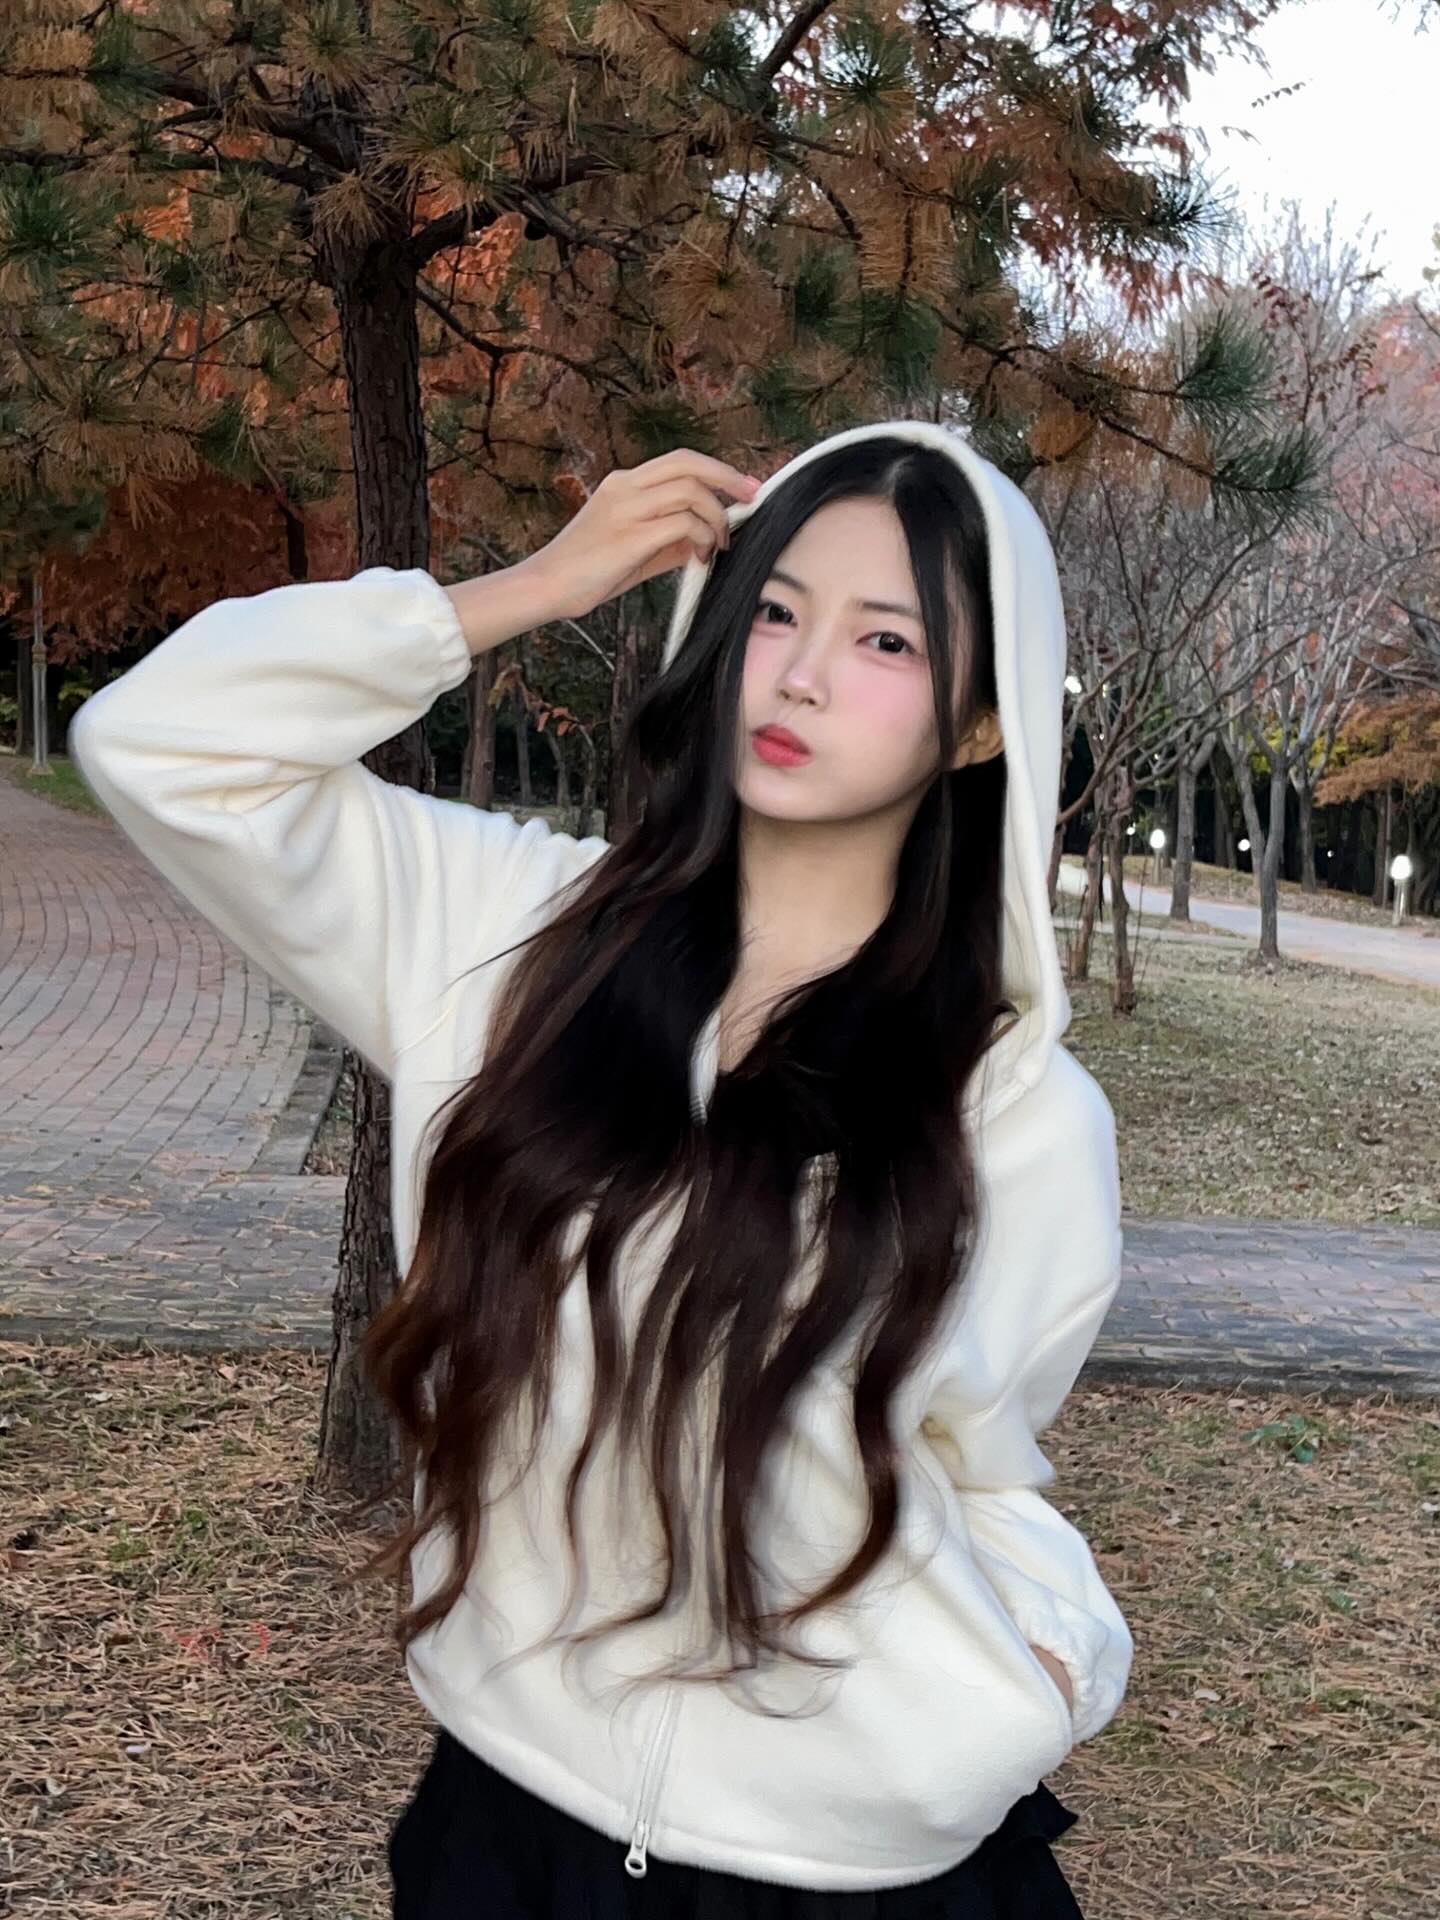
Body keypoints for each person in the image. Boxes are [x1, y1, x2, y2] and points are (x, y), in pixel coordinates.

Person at [68, 420, 1133, 1918]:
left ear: (977, 724)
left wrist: (1052, 1665)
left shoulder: (1017, 1113)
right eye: (776, 612)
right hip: (511, 1830)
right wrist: (526, 589)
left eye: (885, 640)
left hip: (855, 1869)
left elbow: (977, 1463)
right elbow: (159, 743)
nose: (801, 674)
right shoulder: (506, 937)